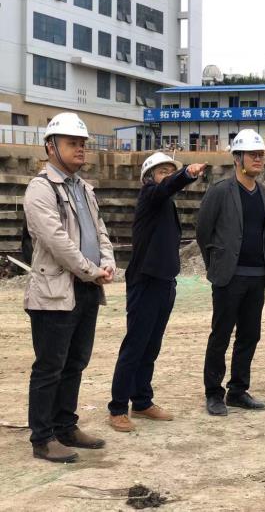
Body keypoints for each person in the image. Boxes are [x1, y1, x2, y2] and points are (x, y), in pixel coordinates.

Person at [24, 112, 115, 462]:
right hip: (54, 293)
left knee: (75, 362)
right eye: (71, 143)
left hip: (86, 289)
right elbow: (58, 242)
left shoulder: (84, 189)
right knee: (50, 366)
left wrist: (107, 261)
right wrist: (92, 270)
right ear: (51, 147)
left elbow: (100, 230)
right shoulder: (40, 189)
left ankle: (65, 426)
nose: (80, 149)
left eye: (82, 143)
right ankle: (42, 438)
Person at [107, 153, 206, 432]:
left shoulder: (165, 204)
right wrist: (185, 174)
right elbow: (166, 187)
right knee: (135, 346)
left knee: (151, 346)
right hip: (145, 281)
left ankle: (141, 401)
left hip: (164, 282)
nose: (168, 176)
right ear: (149, 178)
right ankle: (117, 408)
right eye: (163, 171)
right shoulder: (150, 195)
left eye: (171, 171)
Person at [197, 129, 265, 417]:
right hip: (229, 277)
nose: (258, 159)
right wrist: (216, 265)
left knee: (250, 335)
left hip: (257, 276)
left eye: (261, 154)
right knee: (221, 335)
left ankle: (238, 391)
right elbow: (203, 231)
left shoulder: (263, 192)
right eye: (253, 155)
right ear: (237, 158)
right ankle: (213, 393)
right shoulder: (220, 191)